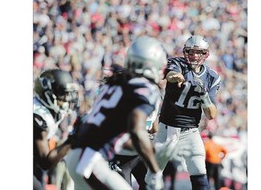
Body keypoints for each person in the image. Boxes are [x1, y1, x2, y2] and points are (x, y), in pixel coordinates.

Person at [66, 36, 167, 190]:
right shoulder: (145, 89)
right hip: (90, 160)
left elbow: (113, 133)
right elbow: (136, 129)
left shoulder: (114, 83)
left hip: (80, 155)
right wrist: (155, 170)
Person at [146, 35, 221, 190]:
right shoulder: (178, 63)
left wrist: (204, 96)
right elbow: (170, 75)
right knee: (152, 177)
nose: (194, 56)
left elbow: (211, 114)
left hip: (191, 131)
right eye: (190, 52)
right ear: (185, 52)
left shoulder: (212, 77)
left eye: (198, 52)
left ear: (205, 54)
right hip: (167, 129)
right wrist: (176, 77)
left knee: (200, 174)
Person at [33, 68, 79, 189]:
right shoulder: (38, 115)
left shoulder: (46, 111)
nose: (67, 98)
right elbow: (45, 162)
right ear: (47, 93)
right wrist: (73, 140)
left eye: (68, 93)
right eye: (62, 93)